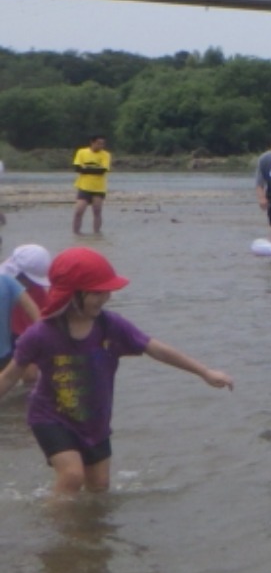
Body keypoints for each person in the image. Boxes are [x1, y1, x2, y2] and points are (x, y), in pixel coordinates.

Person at [0, 247, 233, 497]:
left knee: (99, 488)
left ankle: (89, 533)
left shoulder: (110, 326)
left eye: (107, 291)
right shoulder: (41, 334)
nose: (104, 298)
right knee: (72, 477)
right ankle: (61, 534)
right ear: (72, 294)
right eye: (97, 292)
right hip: (50, 418)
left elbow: (155, 349)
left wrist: (204, 372)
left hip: (95, 421)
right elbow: (11, 375)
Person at [1, 244, 53, 367]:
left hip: (19, 337)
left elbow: (41, 317)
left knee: (30, 373)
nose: (32, 285)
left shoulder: (37, 291)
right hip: (8, 341)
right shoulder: (8, 283)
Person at [71, 134, 111, 235]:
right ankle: (76, 233)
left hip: (99, 188)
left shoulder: (105, 155)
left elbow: (102, 170)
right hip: (84, 186)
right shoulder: (81, 152)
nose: (101, 146)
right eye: (98, 143)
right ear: (92, 142)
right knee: (79, 211)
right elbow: (77, 168)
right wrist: (91, 169)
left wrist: (86, 169)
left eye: (103, 144)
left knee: (97, 211)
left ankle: (97, 234)